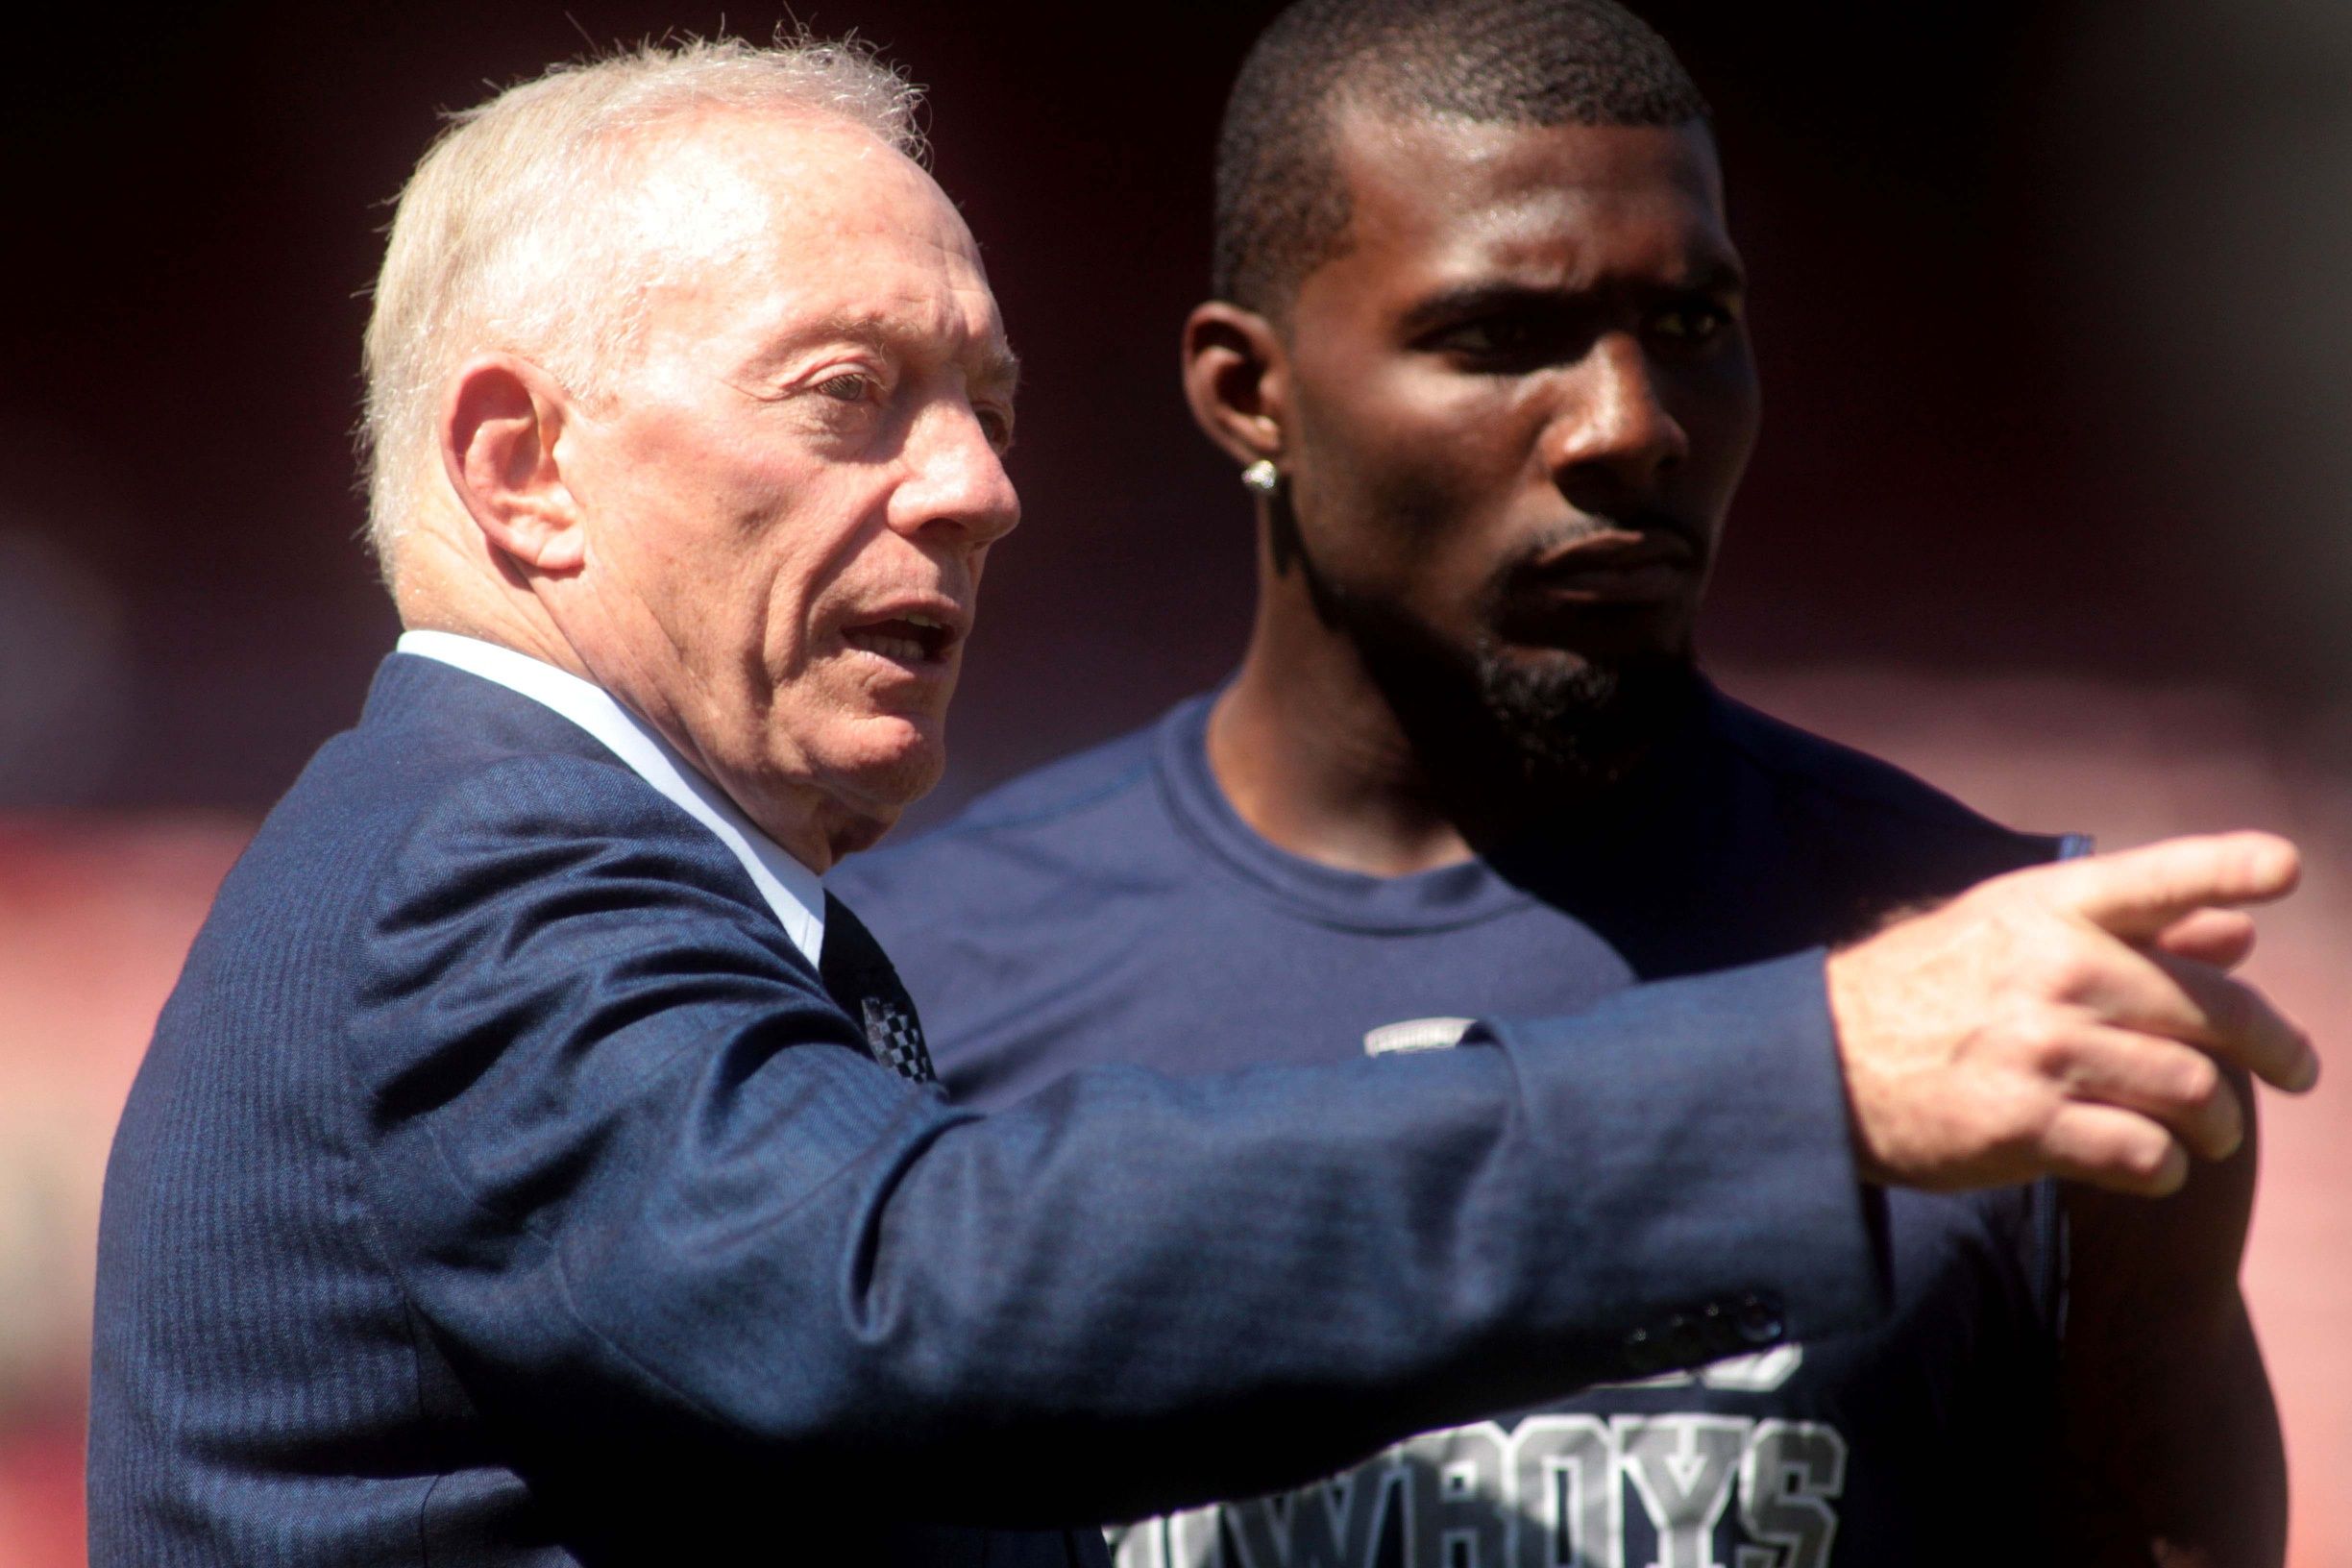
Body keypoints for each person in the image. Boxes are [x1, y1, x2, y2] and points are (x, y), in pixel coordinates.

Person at [88, 30, 2310, 1568]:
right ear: (520, 468)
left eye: (983, 402)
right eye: (848, 398)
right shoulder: (481, 884)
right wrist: (1803, 1086)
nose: (972, 489)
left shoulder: (614, 890)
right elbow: (915, 1284)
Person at [834, 3, 2298, 1565]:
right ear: (1246, 395)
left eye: (1690, 327)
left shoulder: (2031, 997)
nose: (1630, 427)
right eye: (1500, 336)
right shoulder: (904, 981)